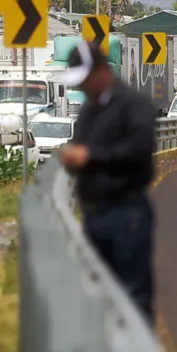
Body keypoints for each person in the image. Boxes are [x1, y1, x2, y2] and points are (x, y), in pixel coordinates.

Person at [58, 41, 158, 326]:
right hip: (95, 213)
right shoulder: (89, 110)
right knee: (97, 295)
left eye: (84, 81)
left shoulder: (133, 105)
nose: (81, 88)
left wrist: (90, 157)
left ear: (102, 72)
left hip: (127, 213)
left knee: (132, 297)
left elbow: (139, 150)